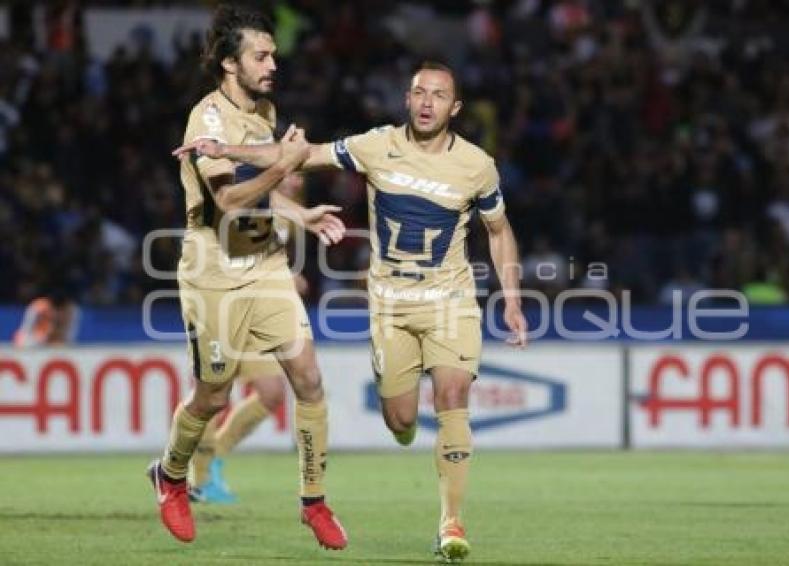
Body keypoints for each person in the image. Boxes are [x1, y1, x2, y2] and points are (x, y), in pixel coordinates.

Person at [175, 61, 528, 563]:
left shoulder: (477, 165)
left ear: (456, 107)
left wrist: (512, 300)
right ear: (406, 99)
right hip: (391, 307)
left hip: (451, 302)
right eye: (419, 92)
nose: (427, 102)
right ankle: (403, 428)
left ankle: (450, 521)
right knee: (401, 418)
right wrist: (224, 148)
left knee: (453, 395)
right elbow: (300, 155)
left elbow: (498, 230)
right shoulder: (374, 145)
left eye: (439, 95)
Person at [150, 4, 347, 550]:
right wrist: (286, 164)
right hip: (214, 269)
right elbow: (231, 199)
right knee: (212, 395)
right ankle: (170, 476)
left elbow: (262, 197)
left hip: (265, 265)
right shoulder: (206, 118)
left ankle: (314, 501)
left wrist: (298, 213)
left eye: (273, 56)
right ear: (230, 64)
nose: (271, 65)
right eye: (260, 56)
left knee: (307, 378)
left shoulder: (264, 114)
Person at [189, 174, 311, 504]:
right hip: (223, 306)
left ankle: (214, 459)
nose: (297, 181)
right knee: (213, 394)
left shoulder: (292, 216)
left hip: (258, 313)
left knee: (271, 393)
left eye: (301, 175)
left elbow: (268, 256)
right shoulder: (247, 197)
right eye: (292, 172)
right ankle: (191, 474)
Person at [13, 288, 79, 348]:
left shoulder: (72, 310)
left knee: (62, 346)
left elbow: (69, 335)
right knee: (26, 342)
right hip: (36, 339)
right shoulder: (38, 307)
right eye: (54, 308)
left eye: (60, 310)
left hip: (57, 341)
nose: (57, 312)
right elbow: (25, 328)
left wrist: (59, 341)